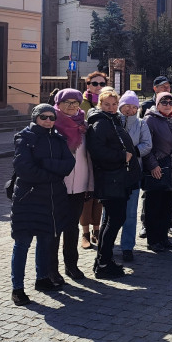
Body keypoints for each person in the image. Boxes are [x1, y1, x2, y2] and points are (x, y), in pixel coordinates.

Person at [10, 104, 75, 305]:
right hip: (27, 199)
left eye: (51, 117)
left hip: (52, 199)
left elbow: (69, 164)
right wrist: (52, 175)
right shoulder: (25, 137)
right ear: (35, 117)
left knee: (46, 240)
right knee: (22, 243)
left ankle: (42, 279)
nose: (48, 121)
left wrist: (45, 164)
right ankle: (17, 289)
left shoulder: (57, 137)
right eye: (43, 117)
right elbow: (24, 169)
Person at [86, 87, 140, 278]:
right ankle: (103, 264)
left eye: (114, 104)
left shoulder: (112, 119)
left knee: (113, 219)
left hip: (117, 177)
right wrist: (121, 156)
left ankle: (103, 261)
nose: (111, 107)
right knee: (114, 219)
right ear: (99, 104)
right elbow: (98, 152)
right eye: (106, 104)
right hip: (110, 178)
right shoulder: (100, 122)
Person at [50, 88, 91, 283]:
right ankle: (52, 269)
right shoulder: (51, 124)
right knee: (55, 228)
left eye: (76, 102)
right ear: (58, 103)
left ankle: (71, 265)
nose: (73, 105)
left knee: (72, 227)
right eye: (68, 102)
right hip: (58, 186)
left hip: (79, 185)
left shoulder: (83, 125)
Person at [142, 91, 172, 253]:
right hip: (158, 167)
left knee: (168, 204)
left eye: (170, 102)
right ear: (157, 104)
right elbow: (146, 145)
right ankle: (153, 240)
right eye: (164, 102)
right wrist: (153, 165)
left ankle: (163, 237)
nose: (167, 105)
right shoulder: (150, 120)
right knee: (154, 205)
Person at [118, 91, 152, 261]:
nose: (130, 110)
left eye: (133, 107)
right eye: (126, 106)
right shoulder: (112, 122)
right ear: (120, 106)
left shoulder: (141, 124)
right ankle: (108, 244)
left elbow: (147, 144)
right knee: (111, 212)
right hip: (114, 174)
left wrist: (133, 153)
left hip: (133, 172)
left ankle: (127, 246)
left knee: (130, 212)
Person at [79, 71, 108, 250]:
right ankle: (85, 233)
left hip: (101, 155)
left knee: (99, 195)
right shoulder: (81, 103)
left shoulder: (107, 102)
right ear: (88, 85)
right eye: (95, 83)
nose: (98, 87)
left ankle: (97, 231)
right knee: (86, 195)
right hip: (83, 154)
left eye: (102, 84)